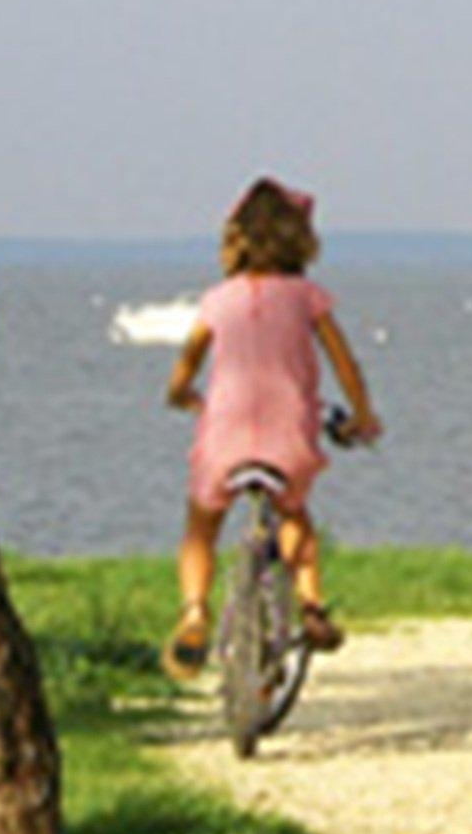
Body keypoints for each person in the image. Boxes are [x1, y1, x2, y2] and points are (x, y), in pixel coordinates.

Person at [161, 177, 381, 683]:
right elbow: (344, 364)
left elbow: (187, 362)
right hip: (289, 436)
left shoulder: (217, 301)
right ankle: (311, 605)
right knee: (293, 511)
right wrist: (362, 414)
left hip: (225, 434)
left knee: (202, 524)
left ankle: (195, 611)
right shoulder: (308, 298)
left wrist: (180, 395)